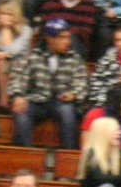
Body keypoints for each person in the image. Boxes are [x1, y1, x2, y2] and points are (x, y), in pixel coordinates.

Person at [11, 20, 88, 153]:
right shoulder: (31, 56)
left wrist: (74, 94)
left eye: (68, 37)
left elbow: (82, 81)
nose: (68, 41)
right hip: (36, 100)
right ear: (50, 39)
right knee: (22, 112)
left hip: (61, 101)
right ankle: (24, 155)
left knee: (68, 112)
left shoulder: (75, 58)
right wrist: (18, 96)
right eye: (62, 38)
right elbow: (17, 78)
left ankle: (69, 155)